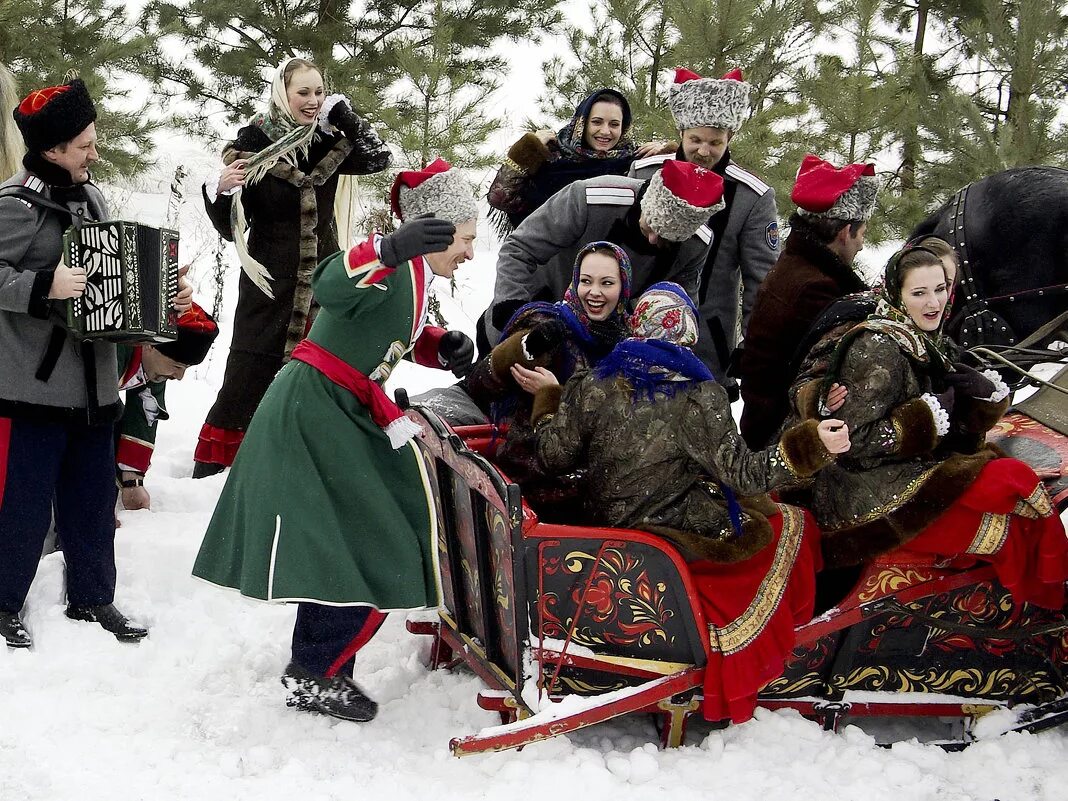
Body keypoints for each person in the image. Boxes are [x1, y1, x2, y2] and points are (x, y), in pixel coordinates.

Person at [192, 160, 479, 722]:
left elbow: (380, 329)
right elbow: (329, 284)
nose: (470, 253)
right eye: (466, 239)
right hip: (317, 409)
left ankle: (320, 667)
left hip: (343, 409)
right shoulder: (393, 264)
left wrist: (437, 346)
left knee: (360, 534)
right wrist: (388, 247)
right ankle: (317, 671)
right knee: (364, 534)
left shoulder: (415, 277)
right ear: (437, 231)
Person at [517, 282, 850, 724]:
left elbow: (552, 455)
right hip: (669, 533)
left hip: (606, 527)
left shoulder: (593, 383)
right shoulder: (697, 396)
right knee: (791, 524)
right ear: (687, 334)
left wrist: (547, 400)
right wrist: (810, 445)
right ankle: (776, 652)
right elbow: (745, 474)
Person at [799, 244, 1068, 608]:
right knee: (1008, 524)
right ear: (897, 294)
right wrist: (922, 419)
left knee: (1016, 487)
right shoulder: (877, 347)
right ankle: (1034, 608)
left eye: (940, 289)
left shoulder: (926, 337)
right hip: (865, 496)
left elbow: (954, 423)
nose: (934, 303)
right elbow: (851, 442)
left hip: (909, 473)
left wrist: (979, 399)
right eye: (920, 293)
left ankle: (1034, 604)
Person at [0, 77, 168, 648]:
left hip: (95, 384)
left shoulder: (91, 196)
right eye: (84, 145)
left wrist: (161, 295)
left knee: (93, 500)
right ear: (51, 150)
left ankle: (93, 598)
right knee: (22, 504)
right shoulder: (14, 206)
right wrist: (43, 285)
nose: (94, 153)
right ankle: (2, 603)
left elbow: (112, 270)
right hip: (35, 385)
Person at [194, 56, 393, 478]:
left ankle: (305, 464)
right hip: (268, 285)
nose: (312, 100)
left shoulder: (330, 140)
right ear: (282, 93)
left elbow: (379, 158)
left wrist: (345, 114)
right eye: (303, 92)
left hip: (324, 284)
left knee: (316, 373)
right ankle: (221, 474)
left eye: (319, 92)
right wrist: (223, 191)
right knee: (249, 374)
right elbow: (231, 230)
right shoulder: (253, 142)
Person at [478, 159, 722, 355]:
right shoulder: (589, 197)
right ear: (646, 205)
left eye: (667, 240)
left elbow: (679, 304)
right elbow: (519, 248)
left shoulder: (697, 244)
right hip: (527, 317)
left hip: (601, 346)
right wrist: (514, 309)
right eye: (651, 227)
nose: (653, 241)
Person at [630, 68, 779, 386]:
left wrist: (753, 348)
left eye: (715, 142)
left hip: (707, 349)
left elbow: (761, 285)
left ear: (730, 138)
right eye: (695, 140)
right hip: (632, 334)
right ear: (681, 132)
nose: (704, 151)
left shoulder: (751, 197)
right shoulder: (644, 174)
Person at [465, 241, 633, 520]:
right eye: (586, 281)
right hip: (534, 478)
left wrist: (553, 393)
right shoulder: (548, 325)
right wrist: (521, 348)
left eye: (607, 283)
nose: (594, 292)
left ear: (623, 287)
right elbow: (481, 384)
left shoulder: (630, 343)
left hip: (597, 486)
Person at [739, 154, 878, 449]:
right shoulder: (816, 289)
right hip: (787, 437)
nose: (862, 244)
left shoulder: (797, 264)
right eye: (862, 233)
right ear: (844, 232)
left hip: (771, 425)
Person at [487, 88, 668, 234]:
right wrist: (527, 149)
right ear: (582, 123)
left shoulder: (633, 162)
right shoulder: (552, 159)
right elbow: (500, 198)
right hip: (550, 268)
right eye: (597, 122)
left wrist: (669, 155)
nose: (605, 131)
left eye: (614, 124)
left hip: (612, 271)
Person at [116, 302, 220, 510]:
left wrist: (133, 482)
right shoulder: (114, 351)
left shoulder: (155, 368)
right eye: (176, 366)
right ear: (149, 345)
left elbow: (143, 418)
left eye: (186, 368)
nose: (179, 377)